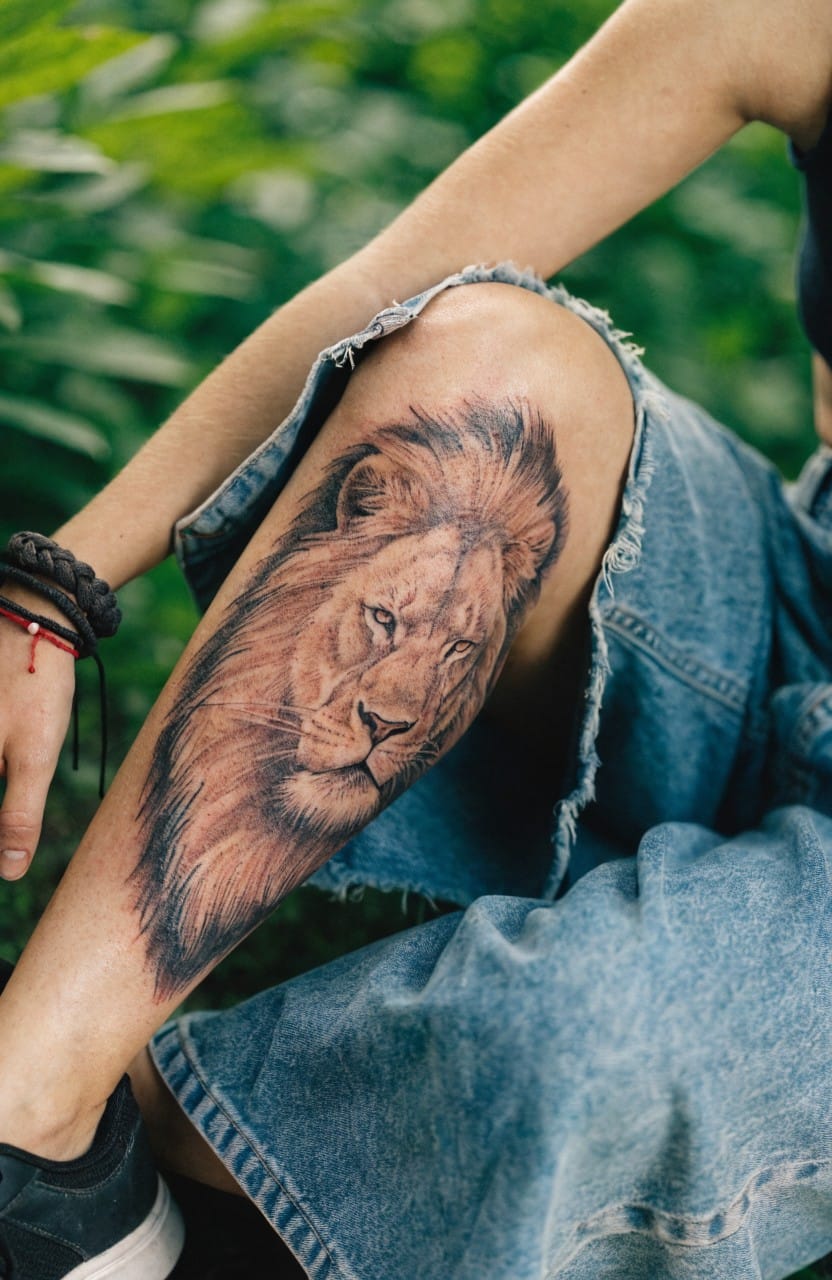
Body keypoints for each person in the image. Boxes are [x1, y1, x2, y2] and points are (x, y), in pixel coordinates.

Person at [0, 0, 831, 1277]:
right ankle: (29, 1130)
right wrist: (45, 591)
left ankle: (193, 1197)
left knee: (555, 1052)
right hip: (793, 603)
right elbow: (379, 291)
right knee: (486, 378)